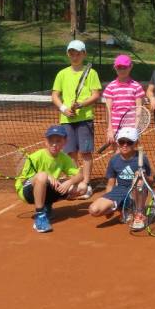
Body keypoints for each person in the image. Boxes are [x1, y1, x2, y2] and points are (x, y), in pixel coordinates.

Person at [51, 39, 101, 200]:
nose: (75, 56)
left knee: (85, 152)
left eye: (78, 53)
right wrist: (64, 109)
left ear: (84, 54)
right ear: (68, 54)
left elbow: (95, 95)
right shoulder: (62, 74)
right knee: (70, 152)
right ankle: (74, 181)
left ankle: (85, 183)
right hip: (66, 120)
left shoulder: (91, 73)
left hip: (85, 118)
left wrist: (81, 104)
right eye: (72, 53)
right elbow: (55, 95)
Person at [16, 125, 84, 233]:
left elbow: (80, 175)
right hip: (27, 192)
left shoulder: (63, 157)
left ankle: (47, 205)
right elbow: (24, 181)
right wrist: (46, 175)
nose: (54, 144)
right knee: (42, 176)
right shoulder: (36, 157)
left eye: (58, 141)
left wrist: (69, 182)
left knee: (82, 187)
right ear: (46, 142)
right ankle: (40, 216)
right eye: (51, 141)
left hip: (47, 188)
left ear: (64, 142)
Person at [87, 127, 153, 230]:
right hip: (120, 190)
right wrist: (109, 202)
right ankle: (125, 209)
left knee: (139, 181)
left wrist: (143, 175)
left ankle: (139, 213)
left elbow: (151, 180)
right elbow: (110, 184)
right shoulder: (114, 160)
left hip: (136, 191)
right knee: (94, 210)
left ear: (135, 143)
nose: (125, 145)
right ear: (118, 143)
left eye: (129, 142)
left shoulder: (141, 158)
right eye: (122, 142)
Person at [102, 54, 145, 150]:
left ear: (130, 67)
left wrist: (136, 129)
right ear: (115, 68)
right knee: (116, 156)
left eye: (124, 67)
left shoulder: (137, 86)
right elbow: (108, 109)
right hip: (115, 130)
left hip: (131, 129)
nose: (122, 70)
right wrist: (110, 130)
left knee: (132, 154)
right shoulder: (110, 87)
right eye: (119, 68)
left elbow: (139, 109)